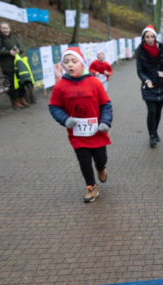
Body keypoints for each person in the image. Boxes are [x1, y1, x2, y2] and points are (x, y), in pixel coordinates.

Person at [49, 47, 112, 203]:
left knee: (101, 158)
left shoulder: (94, 82)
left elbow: (105, 104)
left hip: (97, 131)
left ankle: (101, 168)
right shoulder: (60, 86)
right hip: (77, 133)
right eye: (66, 62)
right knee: (84, 161)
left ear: (82, 64)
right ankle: (91, 188)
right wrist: (64, 119)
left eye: (74, 61)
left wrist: (105, 121)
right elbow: (54, 106)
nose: (70, 65)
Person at [136, 25, 163, 148]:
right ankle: (151, 136)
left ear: (155, 38)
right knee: (151, 111)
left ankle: (155, 131)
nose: (150, 39)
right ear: (143, 38)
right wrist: (146, 80)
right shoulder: (140, 53)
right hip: (149, 87)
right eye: (147, 37)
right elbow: (140, 71)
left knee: (157, 113)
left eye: (152, 36)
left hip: (161, 86)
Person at [0, 21, 29, 110]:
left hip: (17, 63)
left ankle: (22, 98)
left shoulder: (12, 36)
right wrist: (9, 52)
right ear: (0, 29)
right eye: (3, 28)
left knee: (21, 81)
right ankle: (15, 101)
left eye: (7, 28)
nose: (5, 30)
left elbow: (20, 47)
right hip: (7, 65)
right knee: (13, 83)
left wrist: (19, 51)